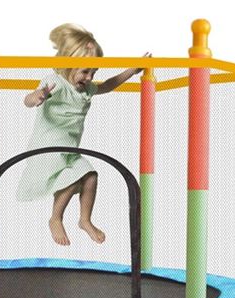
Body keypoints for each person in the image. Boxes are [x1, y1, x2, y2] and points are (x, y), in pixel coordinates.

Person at [17, 23, 150, 246]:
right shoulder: (56, 83)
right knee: (73, 178)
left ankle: (85, 220)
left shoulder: (86, 88)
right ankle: (55, 218)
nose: (89, 77)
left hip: (69, 149)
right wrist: (37, 96)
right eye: (85, 71)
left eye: (94, 72)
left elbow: (108, 85)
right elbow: (27, 100)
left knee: (90, 177)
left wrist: (132, 70)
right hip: (48, 147)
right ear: (68, 65)